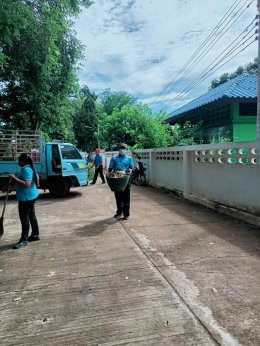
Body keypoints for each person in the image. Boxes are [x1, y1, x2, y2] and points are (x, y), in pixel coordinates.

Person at [9, 153, 40, 249]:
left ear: (24, 161)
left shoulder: (26, 169)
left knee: (24, 218)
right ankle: (35, 235)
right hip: (30, 196)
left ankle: (24, 240)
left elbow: (27, 184)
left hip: (26, 198)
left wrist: (14, 178)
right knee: (31, 215)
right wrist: (13, 186)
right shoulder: (29, 168)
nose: (18, 162)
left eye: (19, 160)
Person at [109, 144, 134, 220]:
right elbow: (110, 168)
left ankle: (126, 214)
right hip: (117, 180)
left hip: (126, 180)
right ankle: (119, 212)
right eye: (121, 148)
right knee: (118, 197)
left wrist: (130, 170)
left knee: (126, 197)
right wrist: (109, 173)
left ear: (126, 149)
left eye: (123, 148)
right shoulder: (114, 159)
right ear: (119, 149)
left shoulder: (129, 159)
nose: (122, 149)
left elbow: (131, 167)